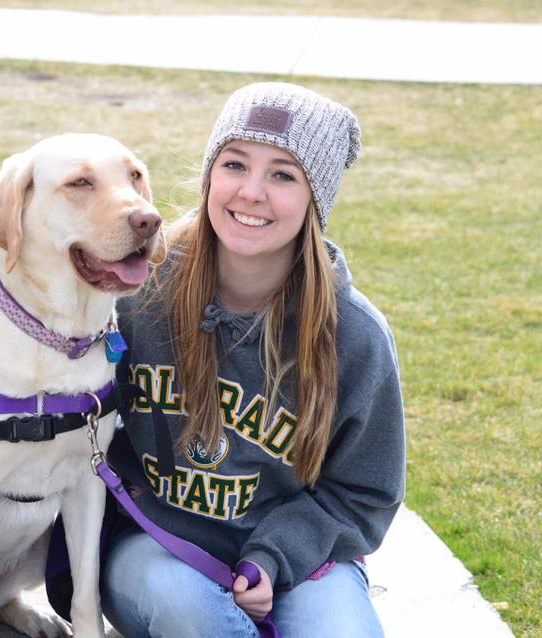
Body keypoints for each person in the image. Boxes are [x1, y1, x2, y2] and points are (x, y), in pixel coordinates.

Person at [101, 82, 406, 638]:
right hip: (152, 545)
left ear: (317, 200)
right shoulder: (137, 294)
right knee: (189, 611)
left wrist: (274, 554)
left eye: (284, 175)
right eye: (235, 164)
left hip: (297, 557)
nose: (251, 192)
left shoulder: (354, 336)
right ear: (210, 176)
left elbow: (365, 494)